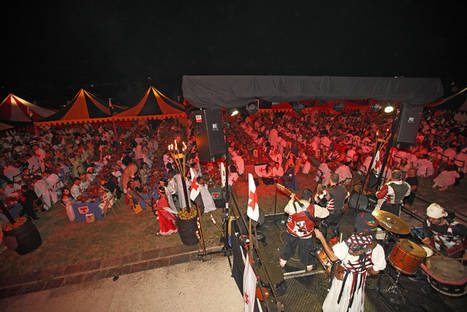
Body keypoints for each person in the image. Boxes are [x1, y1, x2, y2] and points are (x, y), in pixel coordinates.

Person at [314, 212, 386, 312]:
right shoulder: (377, 248)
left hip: (344, 279)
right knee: (353, 302)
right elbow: (376, 270)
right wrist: (365, 272)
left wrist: (321, 238)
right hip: (359, 280)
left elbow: (333, 257)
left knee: (337, 302)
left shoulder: (349, 244)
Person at [279, 188, 329, 272]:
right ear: (310, 198)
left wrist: (291, 200)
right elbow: (326, 213)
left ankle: (283, 262)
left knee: (288, 246)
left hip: (292, 232)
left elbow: (285, 210)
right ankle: (309, 265)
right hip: (306, 234)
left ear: (301, 197)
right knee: (307, 250)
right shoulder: (314, 208)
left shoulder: (293, 205)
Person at [316, 173, 349, 239]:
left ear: (330, 180)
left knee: (323, 225)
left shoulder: (328, 191)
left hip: (329, 214)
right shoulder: (343, 189)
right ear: (338, 180)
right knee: (336, 225)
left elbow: (318, 200)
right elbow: (347, 198)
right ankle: (336, 237)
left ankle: (322, 241)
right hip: (340, 213)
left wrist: (317, 195)